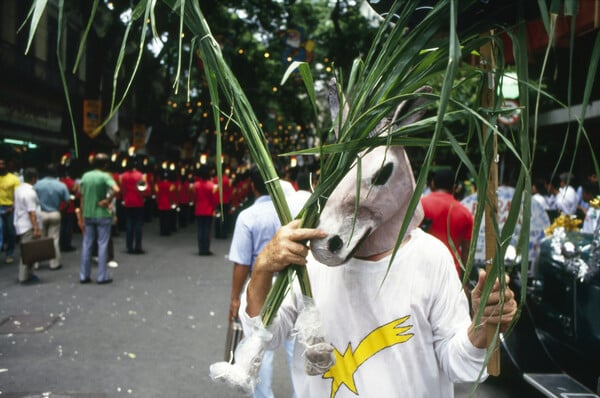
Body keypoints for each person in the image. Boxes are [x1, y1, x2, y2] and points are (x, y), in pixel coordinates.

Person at [240, 216, 517, 398]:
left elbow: (458, 364)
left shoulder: (431, 257)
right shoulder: (310, 259)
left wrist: (482, 329)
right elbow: (263, 333)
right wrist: (263, 268)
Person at [228, 166, 306, 398]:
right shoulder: (292, 211)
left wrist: (234, 297)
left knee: (261, 348)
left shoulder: (248, 217)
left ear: (252, 186)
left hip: (261, 286)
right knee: (297, 347)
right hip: (294, 283)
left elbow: (242, 263)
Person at [420, 168, 474, 275]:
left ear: (433, 184)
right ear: (454, 187)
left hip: (421, 269)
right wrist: (465, 282)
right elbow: (467, 252)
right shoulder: (465, 213)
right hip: (451, 273)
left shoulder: (419, 206)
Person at [78, 153, 120, 284]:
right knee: (102, 245)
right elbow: (116, 189)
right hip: (102, 214)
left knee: (87, 244)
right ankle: (102, 276)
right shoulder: (105, 176)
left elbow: (82, 196)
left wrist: (81, 216)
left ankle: (84, 275)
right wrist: (107, 200)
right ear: (106, 165)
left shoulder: (86, 176)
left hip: (88, 213)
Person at [34, 163, 70, 270]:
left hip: (41, 213)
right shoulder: (61, 185)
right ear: (56, 173)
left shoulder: (38, 184)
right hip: (55, 213)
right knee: (54, 239)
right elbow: (67, 201)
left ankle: (36, 262)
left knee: (40, 239)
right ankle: (54, 263)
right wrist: (62, 210)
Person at [13, 167, 42, 284]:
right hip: (28, 225)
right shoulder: (30, 192)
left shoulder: (18, 189)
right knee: (28, 252)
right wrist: (36, 228)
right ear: (34, 178)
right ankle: (24, 276)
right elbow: (32, 212)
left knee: (27, 250)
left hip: (21, 223)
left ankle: (28, 274)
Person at [119, 156, 147, 254]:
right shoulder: (141, 175)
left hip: (127, 201)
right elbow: (144, 190)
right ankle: (138, 246)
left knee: (129, 224)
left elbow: (122, 189)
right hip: (138, 201)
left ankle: (129, 246)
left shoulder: (123, 176)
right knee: (138, 225)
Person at [192, 165, 218, 255]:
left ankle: (201, 249)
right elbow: (214, 199)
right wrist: (214, 208)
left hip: (199, 209)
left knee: (200, 230)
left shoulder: (196, 185)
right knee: (207, 230)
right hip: (208, 210)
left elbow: (194, 197)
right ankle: (206, 249)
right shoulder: (212, 186)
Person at [0, 158, 20, 264]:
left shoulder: (14, 178)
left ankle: (9, 253)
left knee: (11, 232)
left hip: (9, 208)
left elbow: (17, 195)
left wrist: (12, 207)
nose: (1, 166)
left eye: (2, 164)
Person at [59, 166, 78, 252]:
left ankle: (61, 244)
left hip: (60, 206)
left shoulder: (60, 182)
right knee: (68, 227)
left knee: (62, 226)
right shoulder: (73, 183)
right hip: (70, 207)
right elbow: (76, 195)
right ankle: (67, 244)